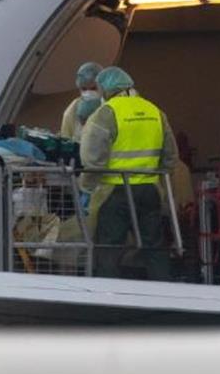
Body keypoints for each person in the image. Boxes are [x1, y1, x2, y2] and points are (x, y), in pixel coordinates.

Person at [79, 66, 178, 280]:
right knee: (154, 247)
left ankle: (109, 301)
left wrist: (85, 188)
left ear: (105, 88)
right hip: (150, 190)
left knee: (109, 250)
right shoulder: (155, 111)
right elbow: (170, 157)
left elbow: (93, 159)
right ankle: (166, 295)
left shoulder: (106, 113)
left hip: (115, 192)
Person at [60, 61, 104, 142]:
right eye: (84, 89)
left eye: (93, 88)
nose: (89, 93)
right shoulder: (72, 110)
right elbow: (65, 138)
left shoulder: (110, 107)